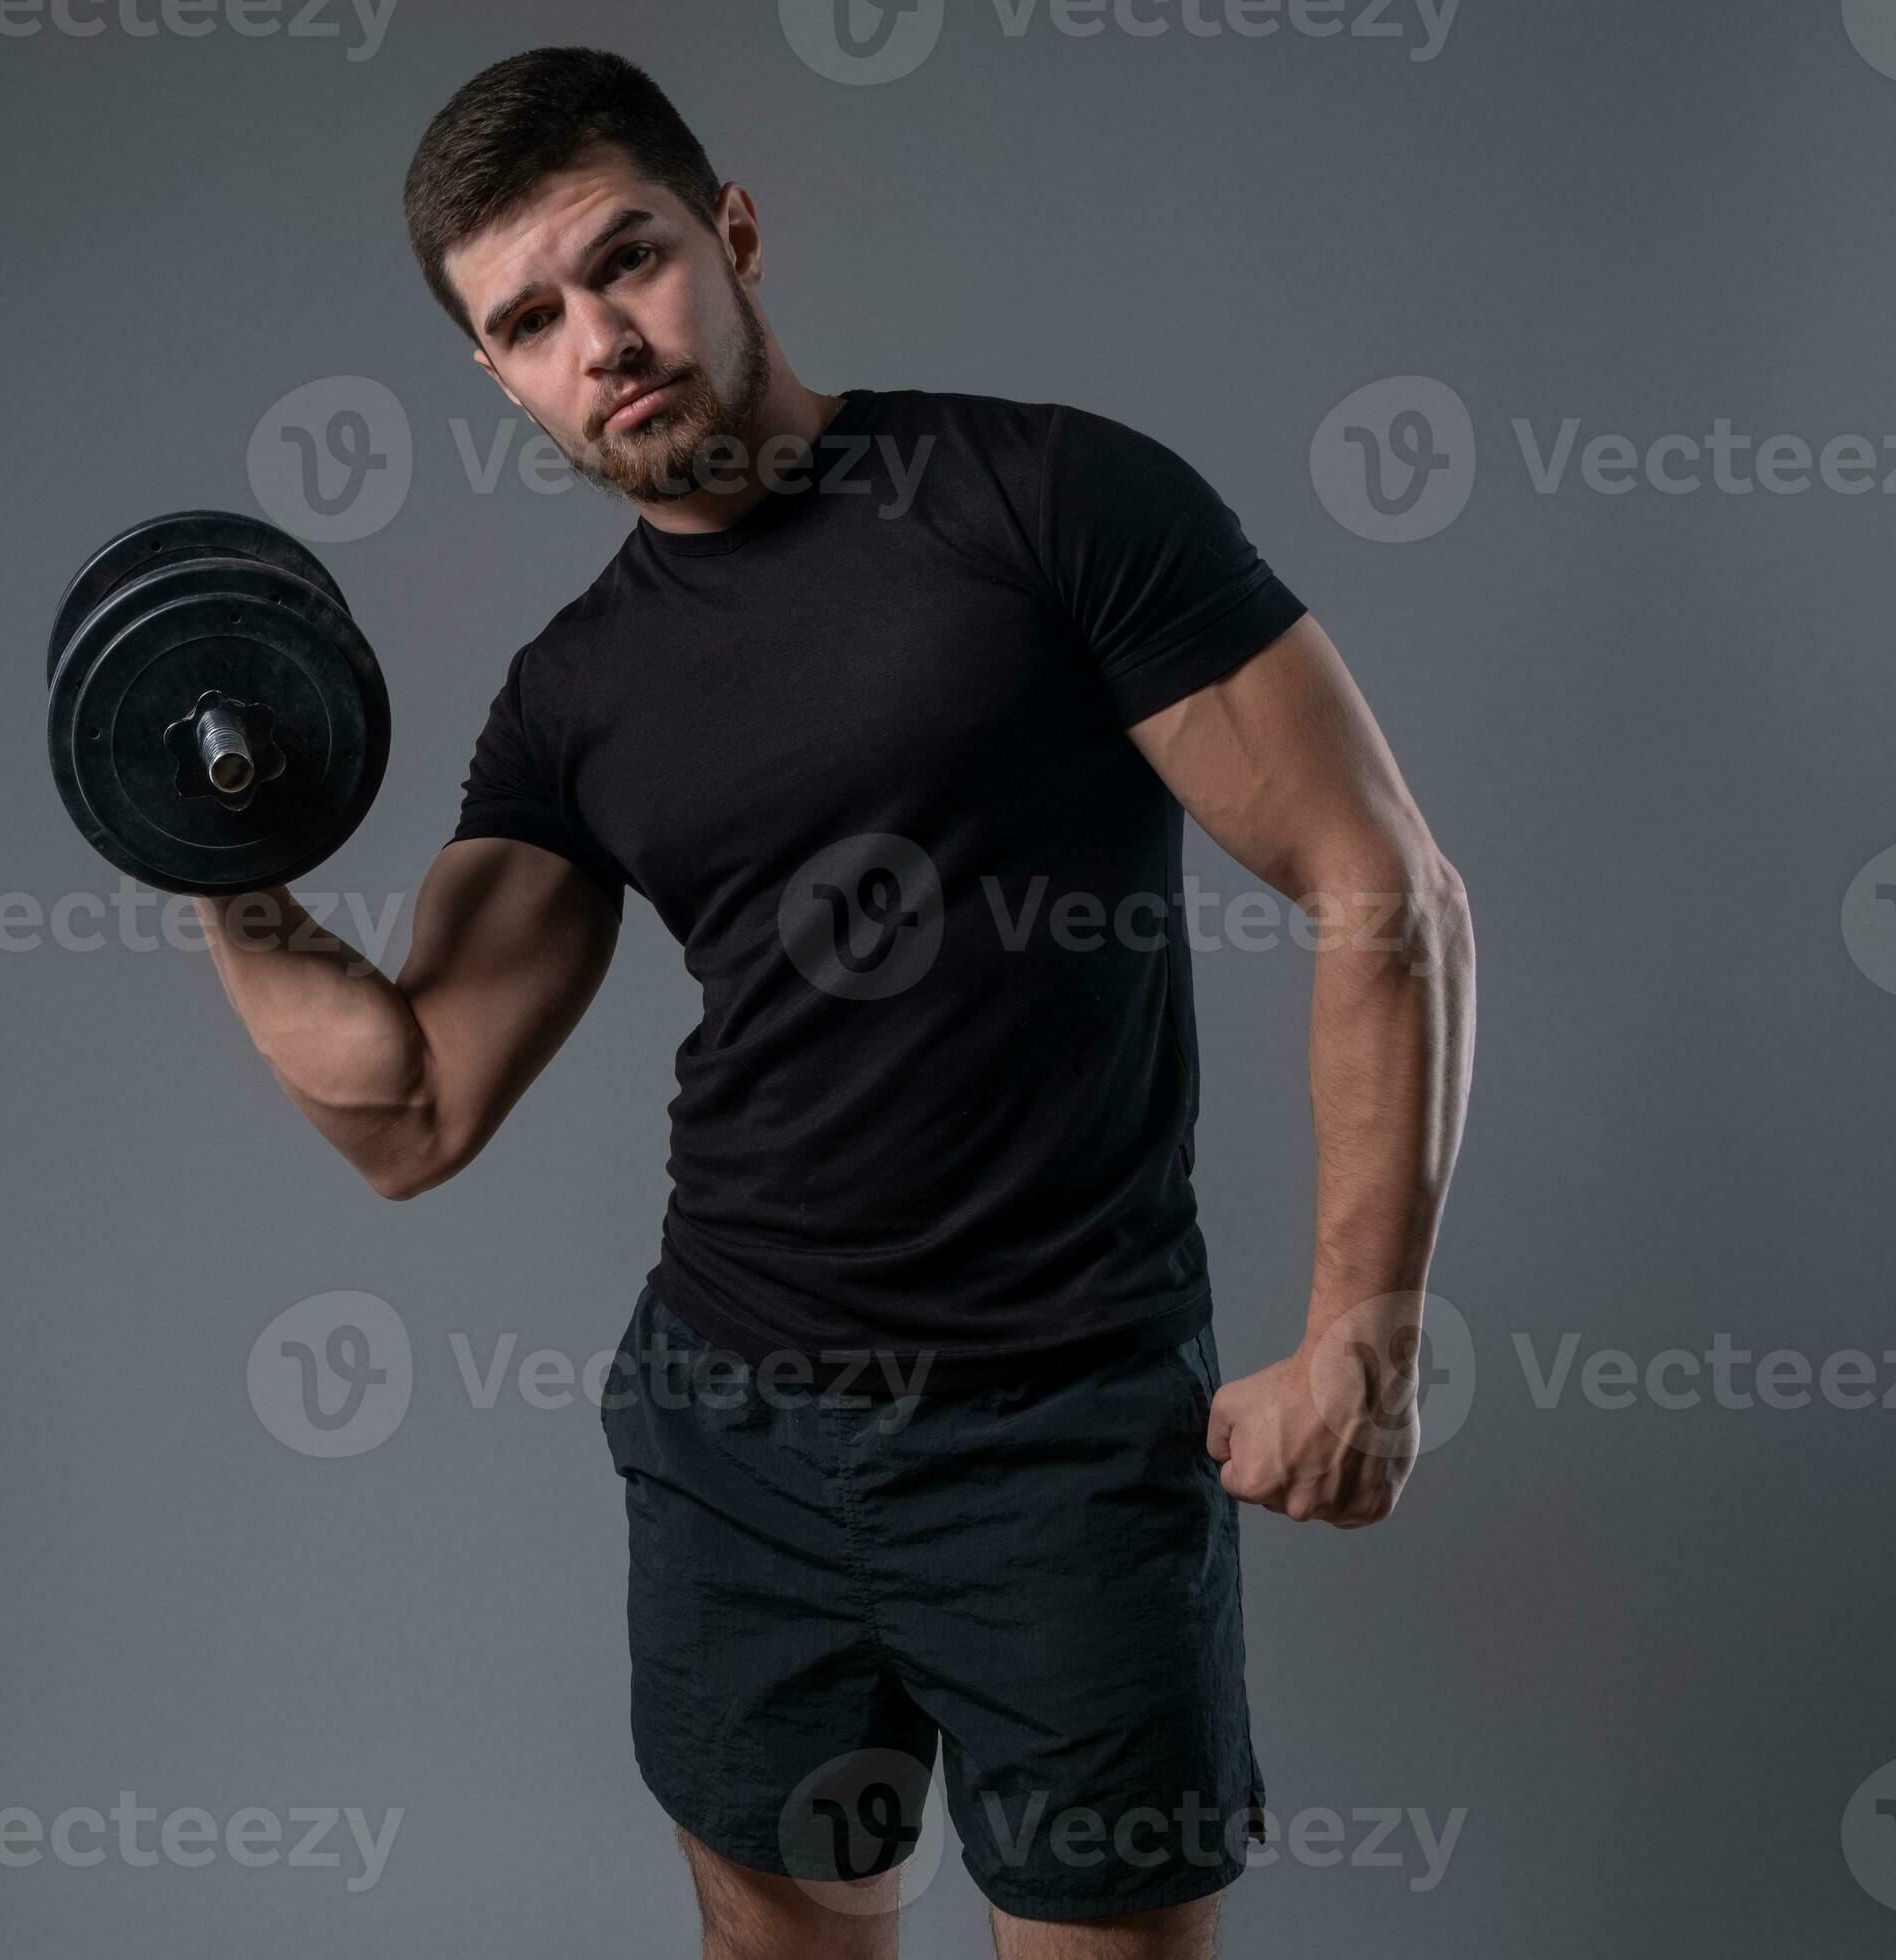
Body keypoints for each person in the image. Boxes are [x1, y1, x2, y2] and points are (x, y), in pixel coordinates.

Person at [195, 46, 1476, 1960]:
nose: (598, 340)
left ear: (732, 229)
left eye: (622, 262)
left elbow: (1387, 889)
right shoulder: (573, 698)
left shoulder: (1047, 500)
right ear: (495, 375)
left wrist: (1360, 1335)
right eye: (528, 321)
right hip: (736, 1437)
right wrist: (213, 855)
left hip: (1063, 1436)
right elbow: (413, 1107)